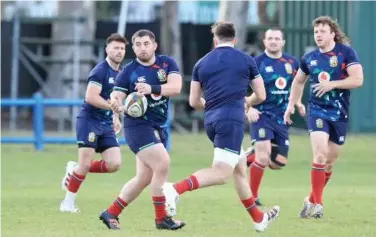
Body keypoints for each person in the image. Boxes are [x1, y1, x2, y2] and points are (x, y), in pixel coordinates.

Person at [162, 22, 280, 232]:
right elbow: (261, 95)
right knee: (221, 173)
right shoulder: (246, 59)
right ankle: (174, 189)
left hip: (211, 121)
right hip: (231, 121)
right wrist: (247, 102)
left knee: (240, 167)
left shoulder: (202, 63)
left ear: (215, 40)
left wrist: (210, 105)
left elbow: (194, 101)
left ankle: (258, 218)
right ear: (234, 40)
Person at [99, 29, 185, 230]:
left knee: (144, 178)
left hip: (158, 125)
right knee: (162, 163)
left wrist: (152, 88)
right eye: (137, 44)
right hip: (137, 127)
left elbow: (176, 88)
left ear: (154, 45)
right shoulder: (128, 71)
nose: (142, 48)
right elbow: (116, 96)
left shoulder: (167, 64)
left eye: (146, 43)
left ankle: (111, 213)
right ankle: (161, 218)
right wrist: (116, 105)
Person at [284, 16, 363, 218]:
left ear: (332, 33)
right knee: (319, 154)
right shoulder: (309, 58)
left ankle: (310, 199)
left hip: (339, 113)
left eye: (322, 31)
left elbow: (358, 80)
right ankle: (318, 204)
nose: (318, 35)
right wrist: (293, 104)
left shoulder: (346, 53)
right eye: (316, 32)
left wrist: (333, 84)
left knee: (329, 161)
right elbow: (298, 81)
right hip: (317, 110)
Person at [60, 33, 127, 213]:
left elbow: (113, 98)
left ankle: (75, 169)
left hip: (106, 123)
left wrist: (115, 118)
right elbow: (90, 97)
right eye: (115, 48)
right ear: (107, 49)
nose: (119, 51)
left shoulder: (121, 73)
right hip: (89, 121)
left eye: (122, 48)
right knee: (85, 164)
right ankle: (67, 203)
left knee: (114, 164)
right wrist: (112, 107)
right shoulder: (100, 70)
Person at [243, 28, 305, 206]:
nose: (273, 41)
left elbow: (298, 85)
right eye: (270, 38)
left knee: (278, 163)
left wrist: (297, 102)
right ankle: (252, 198)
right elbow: (238, 87)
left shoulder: (292, 62)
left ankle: (246, 157)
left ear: (283, 42)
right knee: (263, 158)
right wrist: (248, 109)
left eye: (277, 38)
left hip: (282, 118)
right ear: (264, 42)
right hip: (261, 115)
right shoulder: (256, 63)